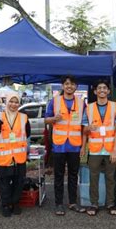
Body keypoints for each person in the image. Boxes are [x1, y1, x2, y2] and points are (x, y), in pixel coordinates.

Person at [45, 75, 86, 216]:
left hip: (75, 145)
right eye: (67, 84)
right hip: (59, 145)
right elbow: (46, 119)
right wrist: (53, 119)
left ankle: (73, 202)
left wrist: (83, 146)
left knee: (74, 175)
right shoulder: (54, 101)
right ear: (63, 86)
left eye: (72, 84)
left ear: (76, 87)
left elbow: (84, 125)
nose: (69, 86)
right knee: (59, 175)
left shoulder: (81, 103)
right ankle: (59, 204)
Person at [81, 79, 116, 216]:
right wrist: (88, 128)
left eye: (105, 88)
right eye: (99, 88)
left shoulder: (115, 106)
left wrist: (115, 149)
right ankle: (94, 204)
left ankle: (110, 203)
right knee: (94, 177)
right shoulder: (89, 108)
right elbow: (84, 130)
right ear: (95, 91)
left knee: (110, 177)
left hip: (110, 148)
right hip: (95, 149)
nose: (102, 90)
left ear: (109, 91)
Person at [0, 93, 30, 217]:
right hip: (4, 155)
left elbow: (27, 133)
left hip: (19, 156)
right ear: (6, 102)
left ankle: (15, 203)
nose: (13, 104)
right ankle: (5, 204)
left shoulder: (24, 117)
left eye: (16, 102)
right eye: (11, 102)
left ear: (19, 103)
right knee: (4, 183)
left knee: (19, 182)